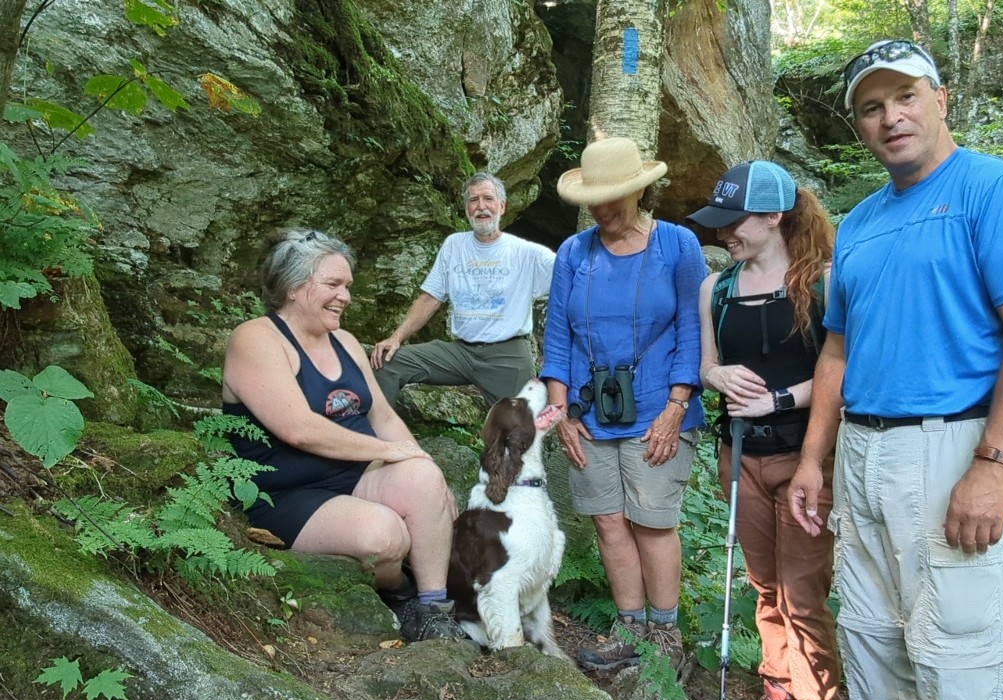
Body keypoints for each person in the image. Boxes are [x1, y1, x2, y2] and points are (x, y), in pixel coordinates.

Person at [787, 39, 1003, 700]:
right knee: (873, 645)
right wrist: (811, 460)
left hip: (952, 445)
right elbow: (837, 351)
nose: (891, 117)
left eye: (907, 97)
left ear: (941, 98)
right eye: (871, 107)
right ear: (859, 125)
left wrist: (995, 463)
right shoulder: (856, 226)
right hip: (862, 453)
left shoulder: (995, 189)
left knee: (958, 659)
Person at [222, 228, 468, 643]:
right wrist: (389, 451)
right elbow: (299, 429)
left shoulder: (346, 341)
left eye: (347, 286)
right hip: (287, 496)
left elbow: (384, 416)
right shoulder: (256, 338)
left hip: (355, 480)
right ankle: (400, 591)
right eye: (333, 284)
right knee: (384, 537)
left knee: (424, 477)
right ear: (295, 286)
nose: (346, 296)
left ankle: (433, 608)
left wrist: (423, 464)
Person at [688, 161, 840, 700]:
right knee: (766, 588)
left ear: (774, 216)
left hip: (809, 460)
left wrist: (781, 397)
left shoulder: (824, 282)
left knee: (803, 596)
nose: (726, 234)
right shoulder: (716, 289)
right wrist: (716, 373)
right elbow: (707, 366)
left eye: (736, 222)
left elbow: (840, 373)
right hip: (741, 455)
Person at [542, 136, 706, 672]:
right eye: (595, 199)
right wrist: (561, 409)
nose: (603, 209)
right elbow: (558, 335)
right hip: (590, 411)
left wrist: (678, 404)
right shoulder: (574, 253)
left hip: (660, 405)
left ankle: (665, 636)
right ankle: (629, 626)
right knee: (609, 522)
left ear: (641, 192)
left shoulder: (678, 245)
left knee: (653, 521)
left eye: (615, 197)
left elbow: (693, 326)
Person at [371, 173, 556, 407]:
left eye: (488, 199)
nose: (481, 207)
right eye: (473, 200)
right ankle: (384, 441)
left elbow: (571, 277)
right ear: (467, 208)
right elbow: (431, 297)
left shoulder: (527, 253)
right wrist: (396, 338)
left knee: (515, 433)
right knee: (387, 362)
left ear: (502, 206)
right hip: (460, 352)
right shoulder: (454, 245)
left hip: (507, 355)